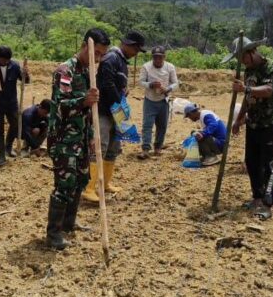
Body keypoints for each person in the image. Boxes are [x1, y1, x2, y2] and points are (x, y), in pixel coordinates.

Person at [45, 28, 110, 250]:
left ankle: (68, 223)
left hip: (81, 138)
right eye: (96, 53)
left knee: (81, 180)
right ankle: (53, 234)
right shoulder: (65, 71)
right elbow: (61, 105)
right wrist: (84, 100)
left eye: (102, 55)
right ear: (85, 46)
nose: (98, 59)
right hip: (64, 139)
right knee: (64, 184)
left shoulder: (88, 72)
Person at [82, 30, 146, 203]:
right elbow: (107, 85)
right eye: (136, 50)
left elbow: (116, 85)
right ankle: (88, 188)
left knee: (113, 148)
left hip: (115, 111)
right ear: (129, 45)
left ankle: (105, 183)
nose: (136, 54)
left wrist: (122, 94)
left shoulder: (122, 61)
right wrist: (119, 102)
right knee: (99, 147)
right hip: (105, 110)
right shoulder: (111, 58)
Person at [229, 36, 273, 221]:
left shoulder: (271, 67)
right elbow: (247, 97)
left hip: (271, 124)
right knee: (252, 162)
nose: (242, 61)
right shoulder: (248, 71)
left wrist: (245, 88)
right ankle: (257, 197)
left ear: (251, 53)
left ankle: (267, 204)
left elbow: (268, 90)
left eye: (243, 57)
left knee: (270, 164)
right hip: (253, 123)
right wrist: (239, 119)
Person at [0, 46, 30, 167]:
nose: (6, 62)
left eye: (8, 60)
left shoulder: (14, 65)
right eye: (3, 60)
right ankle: (1, 154)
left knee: (16, 124)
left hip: (11, 102)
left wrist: (25, 74)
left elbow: (25, 80)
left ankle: (8, 146)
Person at [138, 46, 179, 159]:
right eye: (155, 57)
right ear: (152, 57)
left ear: (164, 57)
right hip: (150, 100)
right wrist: (151, 85)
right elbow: (141, 82)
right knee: (147, 124)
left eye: (160, 57)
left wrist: (168, 89)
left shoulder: (170, 67)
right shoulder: (146, 67)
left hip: (163, 100)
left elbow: (176, 83)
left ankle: (158, 147)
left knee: (162, 125)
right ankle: (145, 149)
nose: (157, 60)